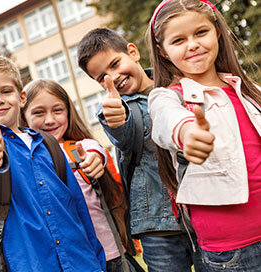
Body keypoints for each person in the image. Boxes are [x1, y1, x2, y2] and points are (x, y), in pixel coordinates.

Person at [0, 54, 106, 271]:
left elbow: (78, 208)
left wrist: (96, 261)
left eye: (6, 91)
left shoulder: (48, 144)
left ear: (21, 98)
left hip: (82, 262)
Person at [77, 28, 205, 272]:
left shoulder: (178, 88)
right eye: (101, 77)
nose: (112, 78)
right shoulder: (118, 108)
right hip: (157, 226)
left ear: (133, 52)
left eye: (115, 64)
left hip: (202, 211)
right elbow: (121, 131)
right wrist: (117, 119)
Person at [147, 0, 261, 270]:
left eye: (201, 33)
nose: (193, 44)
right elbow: (166, 120)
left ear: (217, 32)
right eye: (178, 40)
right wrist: (187, 132)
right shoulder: (167, 97)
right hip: (231, 251)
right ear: (163, 52)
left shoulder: (250, 90)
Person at [20, 78, 144, 272]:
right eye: (38, 112)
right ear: (23, 117)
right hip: (70, 262)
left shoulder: (79, 148)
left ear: (69, 112)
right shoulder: (24, 160)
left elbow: (95, 152)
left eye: (58, 110)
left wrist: (94, 160)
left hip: (111, 256)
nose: (50, 119)